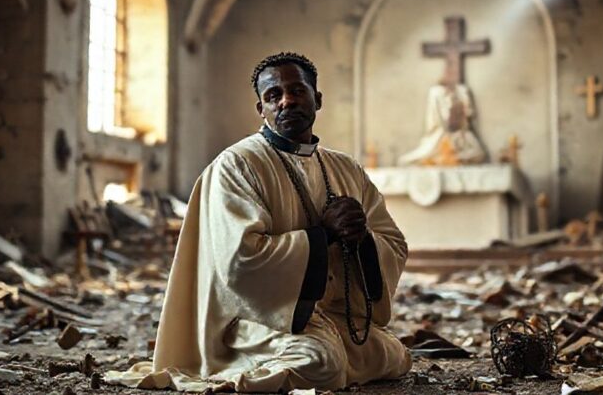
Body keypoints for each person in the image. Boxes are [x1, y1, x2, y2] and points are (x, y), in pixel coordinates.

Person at [105, 52, 412, 392]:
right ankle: (241, 364)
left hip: (329, 315)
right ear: (261, 108)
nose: (287, 101)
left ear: (317, 99)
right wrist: (323, 235)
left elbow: (393, 243)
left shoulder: (345, 168)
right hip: (257, 318)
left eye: (298, 91)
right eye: (273, 95)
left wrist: (362, 237)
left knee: (394, 356)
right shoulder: (237, 165)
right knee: (320, 365)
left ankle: (325, 351)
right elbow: (240, 261)